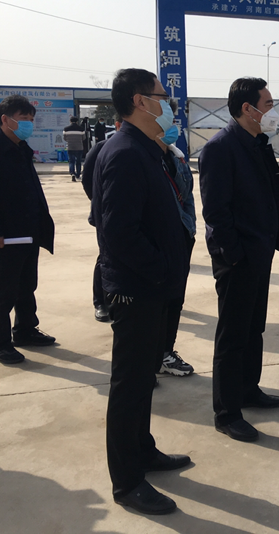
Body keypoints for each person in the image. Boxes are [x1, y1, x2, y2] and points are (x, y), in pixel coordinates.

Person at [92, 68, 190, 515]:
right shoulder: (125, 153)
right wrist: (161, 269)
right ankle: (127, 481)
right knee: (129, 385)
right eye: (162, 97)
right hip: (137, 289)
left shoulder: (147, 149)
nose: (169, 105)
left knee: (143, 380)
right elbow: (119, 233)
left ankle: (142, 450)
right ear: (139, 101)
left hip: (155, 286)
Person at [199, 77, 279, 442]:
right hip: (238, 259)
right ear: (247, 109)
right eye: (268, 105)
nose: (272, 112)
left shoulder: (258, 144)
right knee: (232, 335)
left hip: (259, 252)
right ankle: (227, 412)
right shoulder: (220, 149)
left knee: (254, 328)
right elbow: (216, 212)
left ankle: (247, 388)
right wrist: (235, 255)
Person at [0, 94, 56, 365]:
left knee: (27, 285)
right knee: (4, 291)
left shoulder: (21, 148)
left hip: (27, 232)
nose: (28, 124)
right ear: (5, 120)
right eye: (23, 119)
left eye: (31, 119)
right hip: (4, 237)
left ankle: (25, 330)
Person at [156, 101, 196, 377]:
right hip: (155, 243)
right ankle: (150, 358)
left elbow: (188, 194)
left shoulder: (176, 156)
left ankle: (165, 352)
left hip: (181, 238)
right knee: (154, 305)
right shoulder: (133, 155)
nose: (172, 126)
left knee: (174, 300)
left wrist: (189, 227)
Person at [81, 120, 120, 323]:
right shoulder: (102, 148)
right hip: (106, 215)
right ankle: (101, 302)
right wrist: (101, 205)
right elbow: (88, 180)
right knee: (105, 257)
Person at [63, 116, 85, 182]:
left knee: (71, 161)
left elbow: (64, 138)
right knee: (78, 162)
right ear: (77, 121)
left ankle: (72, 173)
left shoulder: (66, 129)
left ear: (70, 121)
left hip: (70, 147)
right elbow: (83, 138)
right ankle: (78, 174)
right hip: (79, 147)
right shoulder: (81, 129)